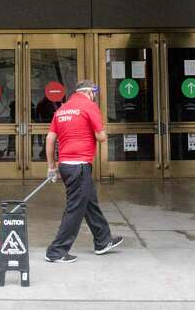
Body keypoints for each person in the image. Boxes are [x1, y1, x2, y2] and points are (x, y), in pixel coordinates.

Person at [44, 80, 123, 263]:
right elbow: (100, 136)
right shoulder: (89, 106)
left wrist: (51, 167)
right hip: (79, 165)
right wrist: (107, 133)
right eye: (94, 93)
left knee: (89, 202)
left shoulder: (62, 109)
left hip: (66, 165)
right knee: (75, 208)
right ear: (90, 93)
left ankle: (103, 240)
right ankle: (56, 251)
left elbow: (50, 139)